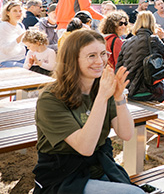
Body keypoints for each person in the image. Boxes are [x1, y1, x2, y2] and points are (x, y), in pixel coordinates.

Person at [32, 30, 141, 194]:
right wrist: (102, 97)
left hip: (99, 168)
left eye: (103, 54)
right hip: (63, 176)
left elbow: (126, 134)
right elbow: (85, 147)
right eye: (91, 55)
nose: (100, 61)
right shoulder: (50, 99)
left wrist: (119, 98)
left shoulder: (102, 88)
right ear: (73, 60)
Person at [116, 12, 164, 102]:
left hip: (129, 91)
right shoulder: (153, 39)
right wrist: (162, 39)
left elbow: (118, 69)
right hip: (149, 92)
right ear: (153, 23)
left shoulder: (126, 42)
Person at [0, 0, 26, 67]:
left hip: (22, 58)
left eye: (20, 11)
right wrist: (19, 38)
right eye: (15, 11)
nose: (18, 13)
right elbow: (6, 50)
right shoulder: (3, 26)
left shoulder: (20, 25)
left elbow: (24, 45)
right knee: (28, 69)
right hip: (7, 61)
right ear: (8, 13)